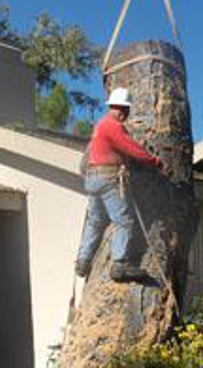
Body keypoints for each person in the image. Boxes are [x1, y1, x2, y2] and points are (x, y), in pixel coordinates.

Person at [75, 87, 166, 282]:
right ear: (118, 108)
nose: (125, 114)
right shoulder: (112, 126)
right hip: (108, 178)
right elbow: (131, 148)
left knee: (95, 221)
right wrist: (154, 161)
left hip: (93, 179)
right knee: (123, 221)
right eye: (124, 109)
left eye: (126, 110)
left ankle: (83, 261)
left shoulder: (99, 127)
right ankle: (120, 264)